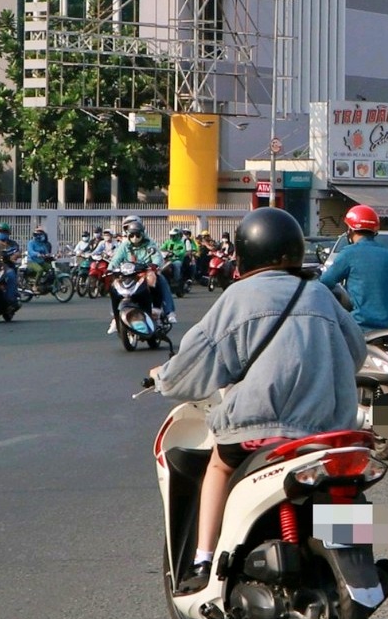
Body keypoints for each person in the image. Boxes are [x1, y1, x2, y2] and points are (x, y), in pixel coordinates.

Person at [149, 208, 365, 596]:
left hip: (257, 430)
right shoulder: (318, 292)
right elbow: (357, 351)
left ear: (246, 252)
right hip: (328, 431)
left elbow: (195, 364)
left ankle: (202, 560)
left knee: (216, 464)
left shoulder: (239, 296)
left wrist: (161, 377)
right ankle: (356, 550)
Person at [320, 204, 388, 331]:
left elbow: (324, 283)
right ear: (375, 231)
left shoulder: (348, 254)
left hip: (360, 329)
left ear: (350, 230)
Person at [109, 217, 176, 331]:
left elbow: (157, 257)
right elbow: (115, 259)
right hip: (128, 274)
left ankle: (161, 310)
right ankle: (115, 318)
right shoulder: (124, 246)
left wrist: (154, 265)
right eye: (131, 235)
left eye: (137, 235)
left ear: (142, 233)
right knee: (114, 286)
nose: (134, 238)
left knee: (156, 279)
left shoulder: (149, 244)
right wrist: (109, 269)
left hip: (145, 272)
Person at [162, 226, 196, 292]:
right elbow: (162, 248)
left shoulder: (181, 243)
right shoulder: (167, 242)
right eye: (171, 235)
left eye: (173, 235)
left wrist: (175, 253)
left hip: (177, 260)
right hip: (168, 260)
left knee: (177, 265)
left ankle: (176, 280)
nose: (172, 237)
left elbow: (183, 251)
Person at [26, 226, 55, 291]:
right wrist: (37, 254)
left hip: (40, 261)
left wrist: (49, 255)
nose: (40, 235)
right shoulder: (31, 242)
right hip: (32, 261)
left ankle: (44, 282)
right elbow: (30, 251)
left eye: (41, 233)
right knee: (40, 270)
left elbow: (46, 252)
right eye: (38, 233)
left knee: (50, 268)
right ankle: (35, 285)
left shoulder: (42, 243)